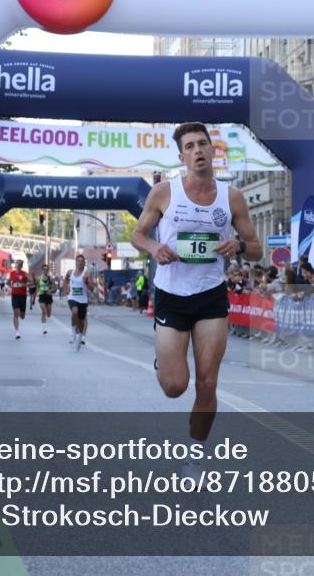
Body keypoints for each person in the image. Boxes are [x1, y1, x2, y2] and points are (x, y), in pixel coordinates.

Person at [130, 122, 262, 479]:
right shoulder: (163, 192)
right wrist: (155, 247)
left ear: (213, 150)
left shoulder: (231, 197)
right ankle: (164, 364)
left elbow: (257, 250)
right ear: (182, 156)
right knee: (176, 387)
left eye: (203, 143)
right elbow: (137, 234)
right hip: (172, 295)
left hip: (210, 296)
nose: (198, 150)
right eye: (190, 146)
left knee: (207, 383)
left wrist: (239, 245)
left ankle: (194, 458)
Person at [65, 254, 94, 349]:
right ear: (76, 262)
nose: (80, 262)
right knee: (74, 312)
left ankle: (80, 336)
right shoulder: (70, 272)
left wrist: (86, 282)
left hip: (83, 300)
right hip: (72, 298)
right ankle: (73, 332)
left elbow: (92, 288)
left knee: (81, 322)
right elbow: (66, 279)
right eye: (78, 261)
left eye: (82, 261)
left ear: (84, 263)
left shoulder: (87, 274)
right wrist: (66, 289)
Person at [9, 259, 29, 340]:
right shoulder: (12, 273)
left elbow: (31, 282)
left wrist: (25, 284)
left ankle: (22, 312)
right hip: (15, 295)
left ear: (21, 265)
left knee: (22, 316)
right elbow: (8, 282)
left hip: (23, 296)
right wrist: (12, 286)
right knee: (15, 313)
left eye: (20, 264)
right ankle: (17, 332)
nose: (18, 265)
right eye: (17, 264)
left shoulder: (25, 274)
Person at [36, 264, 54, 334]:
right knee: (44, 311)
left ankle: (44, 324)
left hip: (48, 297)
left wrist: (51, 290)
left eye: (47, 269)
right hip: (42, 296)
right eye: (44, 269)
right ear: (42, 270)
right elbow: (37, 286)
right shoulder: (39, 279)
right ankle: (44, 328)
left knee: (48, 314)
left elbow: (54, 287)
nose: (46, 270)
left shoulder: (50, 278)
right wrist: (37, 292)